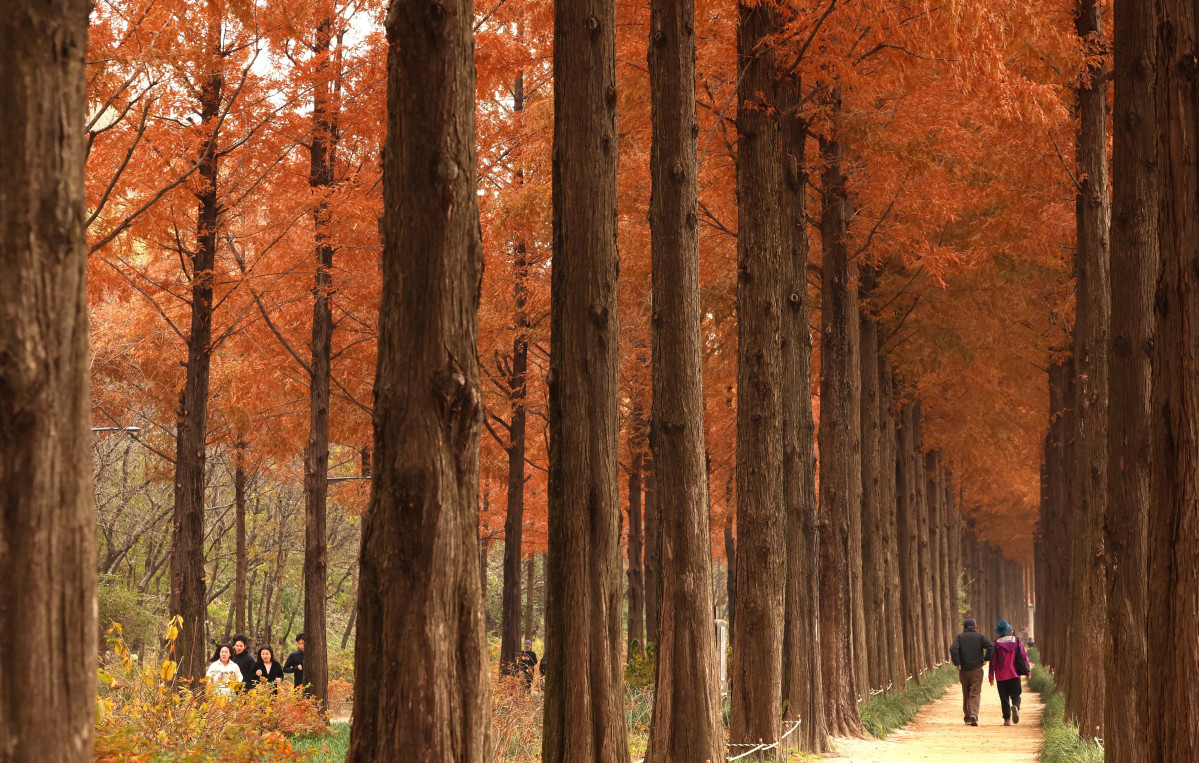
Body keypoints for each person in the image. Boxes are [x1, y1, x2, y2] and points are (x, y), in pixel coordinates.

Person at [950, 617, 993, 726]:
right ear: (975, 627)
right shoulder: (980, 637)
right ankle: (974, 714)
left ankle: (968, 718)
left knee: (966, 693)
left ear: (964, 628)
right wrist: (986, 659)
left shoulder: (959, 638)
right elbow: (991, 646)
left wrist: (957, 663)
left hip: (963, 670)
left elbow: (953, 649)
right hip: (976, 670)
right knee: (975, 692)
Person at [989, 619, 1032, 726]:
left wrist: (991, 677)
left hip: (1001, 676)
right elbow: (1023, 656)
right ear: (1009, 630)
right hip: (1014, 674)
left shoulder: (996, 644)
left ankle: (1007, 719)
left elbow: (993, 661)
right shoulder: (1016, 641)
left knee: (1004, 698)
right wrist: (1028, 672)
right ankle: (1016, 707)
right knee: (1016, 696)